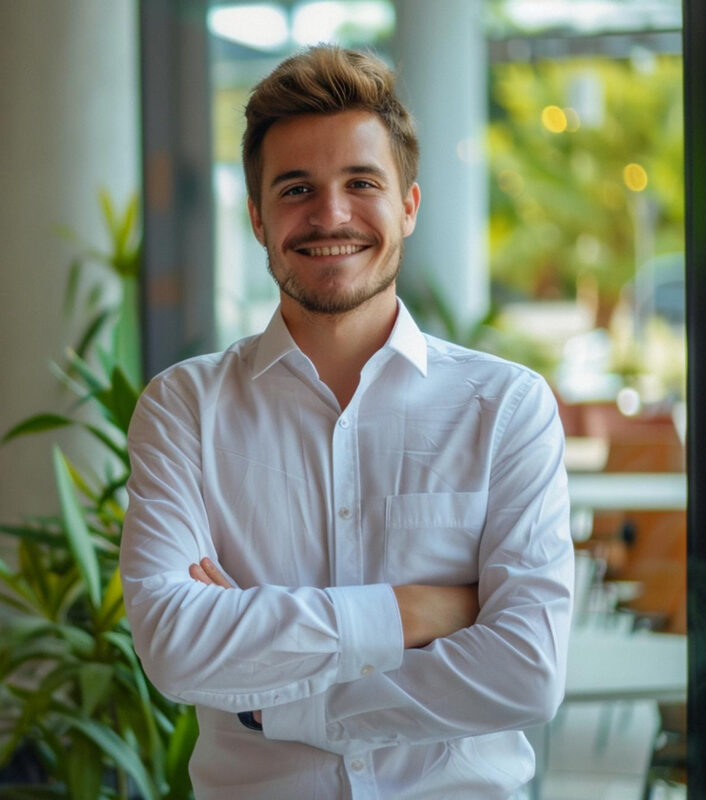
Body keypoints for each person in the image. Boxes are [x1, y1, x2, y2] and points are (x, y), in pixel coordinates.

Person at [119, 45, 573, 799]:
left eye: (361, 182)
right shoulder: (184, 409)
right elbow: (175, 649)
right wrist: (418, 610)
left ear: (409, 206)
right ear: (259, 219)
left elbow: (525, 674)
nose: (330, 215)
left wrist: (281, 701)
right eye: (297, 188)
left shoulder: (507, 408)